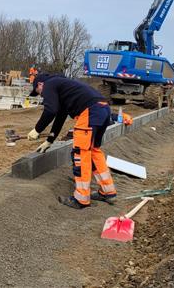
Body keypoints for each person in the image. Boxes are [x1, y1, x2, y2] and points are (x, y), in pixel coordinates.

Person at [26, 73, 117, 209]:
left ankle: (81, 199)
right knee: (93, 152)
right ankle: (108, 191)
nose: (41, 95)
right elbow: (59, 118)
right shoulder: (64, 88)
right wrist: (49, 141)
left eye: (38, 92)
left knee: (80, 154)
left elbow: (50, 110)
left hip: (89, 112)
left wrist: (37, 130)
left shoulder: (50, 83)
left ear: (40, 84)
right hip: (103, 109)